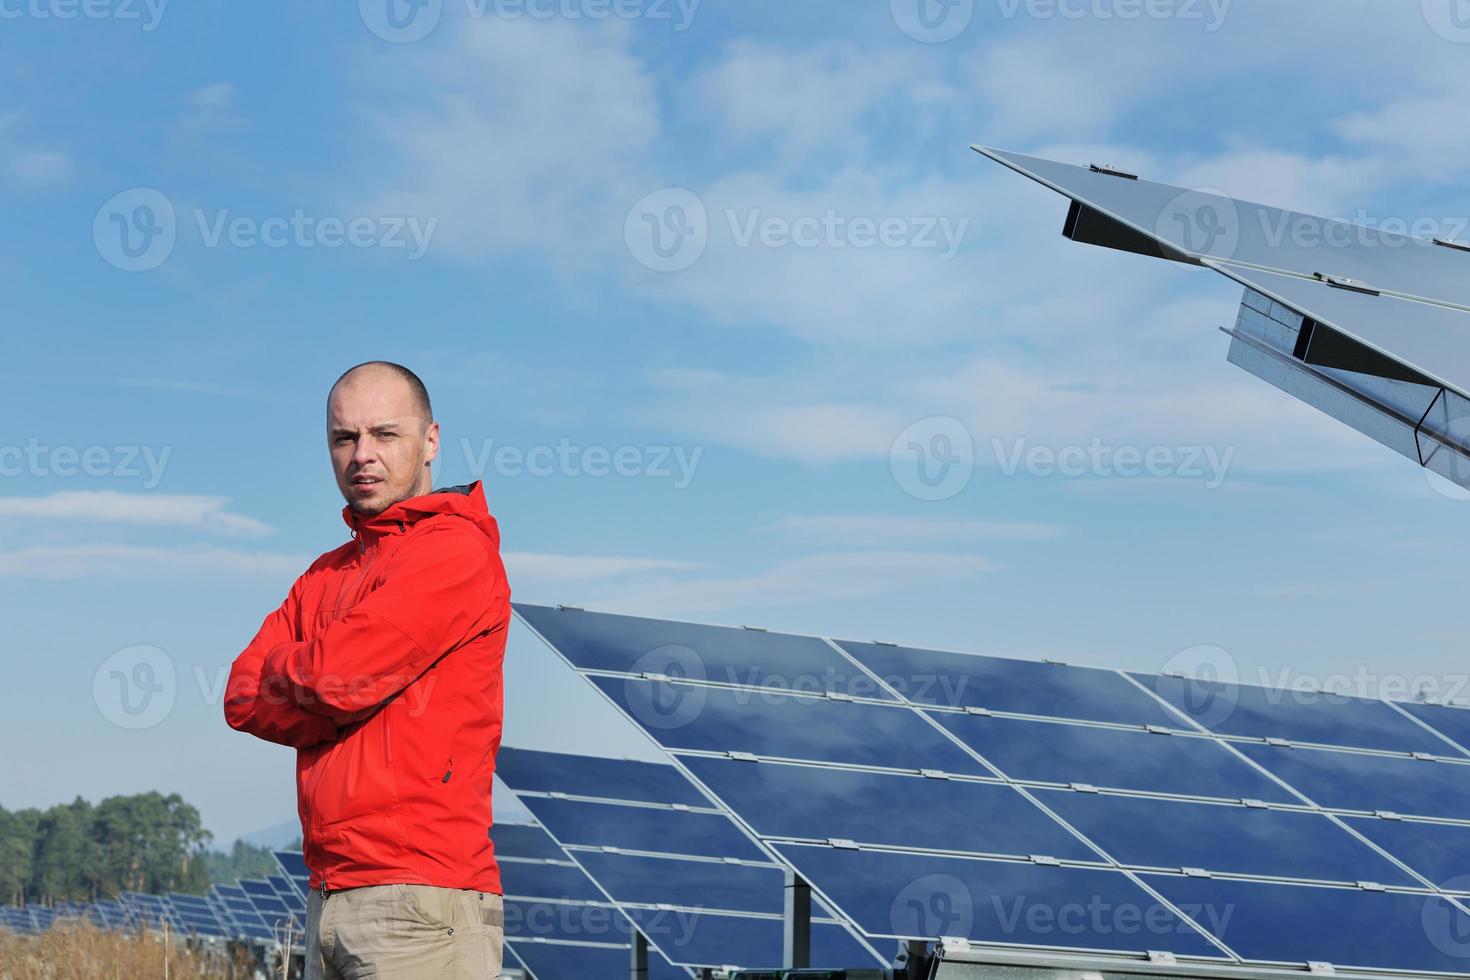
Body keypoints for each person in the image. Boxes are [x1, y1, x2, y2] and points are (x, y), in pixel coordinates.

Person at [224, 361, 510, 978]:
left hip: (420, 901)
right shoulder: (326, 574)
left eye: (385, 434)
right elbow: (242, 693)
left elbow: (333, 679)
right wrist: (338, 705)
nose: (362, 455)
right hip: (328, 895)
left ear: (430, 440)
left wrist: (320, 685)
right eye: (344, 438)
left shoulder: (452, 550)